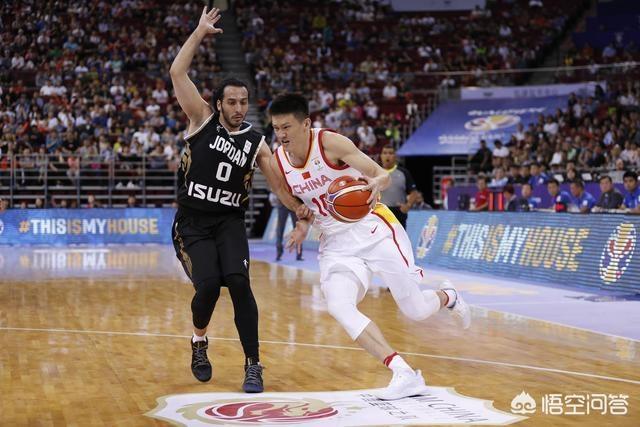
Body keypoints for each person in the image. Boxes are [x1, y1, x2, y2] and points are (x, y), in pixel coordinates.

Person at [268, 93, 470, 401]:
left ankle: (449, 296)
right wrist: (302, 224)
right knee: (339, 305)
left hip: (372, 229)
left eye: (287, 127)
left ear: (306, 124)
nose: (281, 135)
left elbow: (380, 174)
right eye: (276, 128)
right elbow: (301, 203)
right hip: (335, 243)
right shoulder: (279, 160)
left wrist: (377, 183)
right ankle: (403, 372)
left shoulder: (330, 143)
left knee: (415, 310)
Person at [169, 7, 308, 392]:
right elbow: (177, 73)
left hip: (229, 221)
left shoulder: (256, 142)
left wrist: (299, 210)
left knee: (239, 283)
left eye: (243, 102)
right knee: (209, 287)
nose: (238, 108)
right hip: (192, 223)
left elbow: (279, 186)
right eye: (231, 102)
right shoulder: (200, 118)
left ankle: (253, 364)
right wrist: (199, 32)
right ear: (218, 104)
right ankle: (199, 340)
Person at [379, 144, 418, 229]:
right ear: (381, 156)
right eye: (385, 153)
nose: (387, 155)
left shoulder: (403, 173)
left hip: (398, 213)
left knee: (399, 237)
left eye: (390, 153)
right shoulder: (375, 172)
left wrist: (408, 205)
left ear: (395, 156)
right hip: (380, 212)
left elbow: (414, 192)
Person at [269, 192, 303, 261]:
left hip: (289, 204)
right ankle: (280, 254)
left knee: (293, 229)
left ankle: (280, 255)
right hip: (287, 203)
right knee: (281, 229)